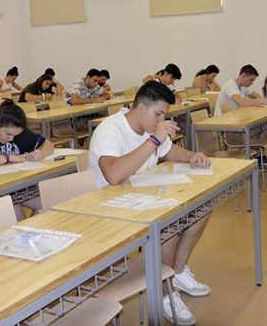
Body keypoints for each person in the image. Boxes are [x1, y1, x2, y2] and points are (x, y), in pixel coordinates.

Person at [89, 81, 212, 325]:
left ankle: (176, 272)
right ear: (141, 107)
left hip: (139, 199)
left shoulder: (148, 128)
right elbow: (113, 176)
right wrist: (153, 140)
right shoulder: (110, 128)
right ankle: (166, 294)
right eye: (158, 114)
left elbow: (168, 151)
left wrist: (191, 157)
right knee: (166, 228)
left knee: (202, 208)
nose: (161, 119)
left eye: (164, 115)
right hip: (107, 208)